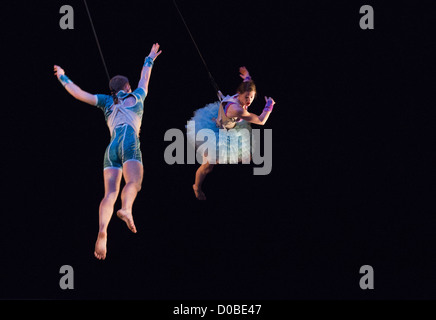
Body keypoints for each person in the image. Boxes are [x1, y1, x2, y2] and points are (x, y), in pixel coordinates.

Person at [54, 43, 162, 260]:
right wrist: (149, 57)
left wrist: (62, 77)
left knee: (109, 193)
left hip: (111, 148)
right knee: (134, 182)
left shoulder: (105, 101)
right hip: (129, 142)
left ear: (113, 90)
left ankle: (103, 230)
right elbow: (145, 77)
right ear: (128, 87)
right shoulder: (137, 96)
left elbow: (79, 94)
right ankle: (126, 209)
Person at [187, 67, 276, 200]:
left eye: (252, 97)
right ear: (239, 94)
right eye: (246, 97)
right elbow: (261, 120)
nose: (249, 100)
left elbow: (247, 84)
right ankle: (196, 187)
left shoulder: (242, 95)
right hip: (217, 131)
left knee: (245, 154)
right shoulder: (237, 109)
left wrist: (247, 76)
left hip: (230, 125)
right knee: (208, 167)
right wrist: (269, 105)